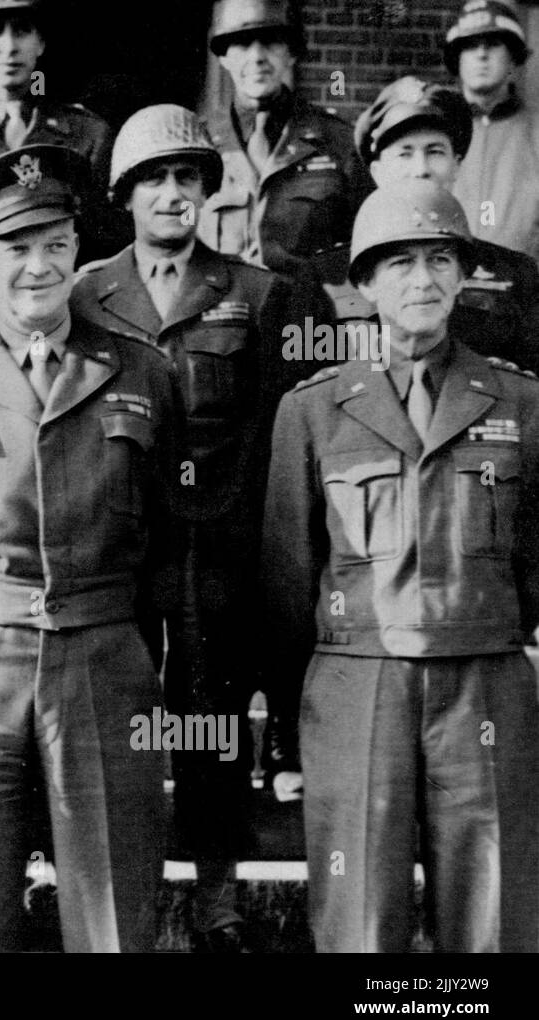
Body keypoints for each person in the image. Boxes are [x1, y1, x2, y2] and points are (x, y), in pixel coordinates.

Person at [0, 144, 190, 952]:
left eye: (55, 244)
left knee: (112, 912)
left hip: (102, 654)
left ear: (78, 248)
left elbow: (168, 538)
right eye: (16, 247)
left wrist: (129, 638)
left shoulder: (144, 373)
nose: (38, 267)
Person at [262, 180, 539, 952]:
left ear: (463, 273)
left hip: (484, 678)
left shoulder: (519, 403)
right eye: (401, 263)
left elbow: (534, 559)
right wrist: (289, 726)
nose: (423, 279)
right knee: (359, 919)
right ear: (366, 284)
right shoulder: (313, 409)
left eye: (441, 259)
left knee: (492, 915)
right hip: (358, 685)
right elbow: (287, 576)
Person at [71, 104, 311, 953]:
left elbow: (277, 435)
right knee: (119, 725)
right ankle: (120, 894)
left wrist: (244, 536)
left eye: (186, 179)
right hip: (118, 548)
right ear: (126, 195)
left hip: (217, 548)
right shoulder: (86, 294)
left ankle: (218, 899)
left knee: (206, 726)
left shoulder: (258, 294)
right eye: (153, 181)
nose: (172, 195)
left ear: (209, 191)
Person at [308, 77, 539, 385]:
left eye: (435, 151)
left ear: (456, 165)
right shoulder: (324, 276)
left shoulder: (514, 273)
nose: (421, 168)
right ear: (377, 171)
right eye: (405, 153)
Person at [199, 0, 368, 274]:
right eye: (242, 44)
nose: (257, 57)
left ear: (291, 54)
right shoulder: (199, 143)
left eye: (271, 42)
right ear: (223, 58)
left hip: (308, 312)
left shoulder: (339, 142)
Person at [0, 0, 126, 261]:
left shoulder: (88, 133)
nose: (10, 47)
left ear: (41, 43)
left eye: (22, 31)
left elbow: (108, 239)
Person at [445, 0, 539, 263]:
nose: (482, 54)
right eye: (470, 46)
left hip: (525, 290)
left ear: (513, 59)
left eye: (493, 44)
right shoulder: (436, 130)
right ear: (458, 60)